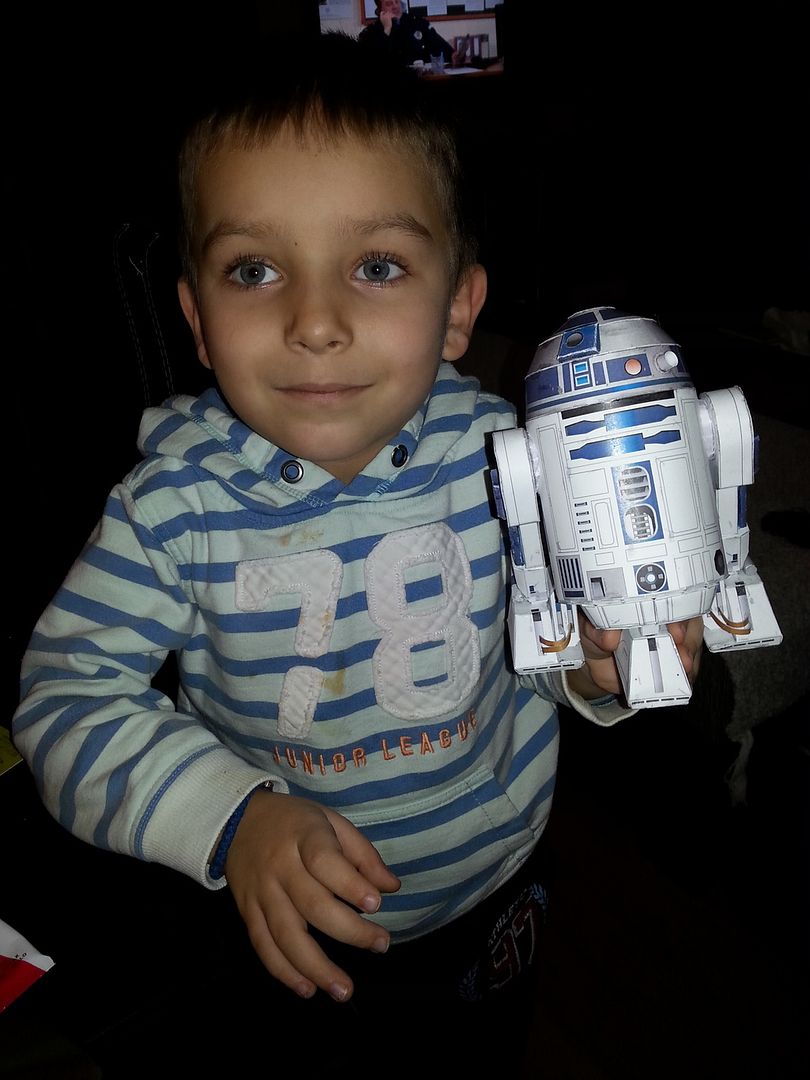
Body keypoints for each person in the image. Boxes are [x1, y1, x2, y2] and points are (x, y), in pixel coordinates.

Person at [12, 31, 703, 1070]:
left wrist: (595, 665)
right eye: (255, 270)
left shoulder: (508, 464)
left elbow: (548, 645)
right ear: (196, 319)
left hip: (501, 881)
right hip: (289, 919)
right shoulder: (171, 508)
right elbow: (63, 698)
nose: (315, 321)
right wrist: (230, 818)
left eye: (376, 266)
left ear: (458, 308)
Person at [358, 0, 457, 67]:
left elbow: (442, 49)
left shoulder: (418, 23)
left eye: (397, 1)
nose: (395, 6)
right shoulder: (371, 32)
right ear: (380, 10)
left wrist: (454, 56)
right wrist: (387, 29)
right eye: (389, 4)